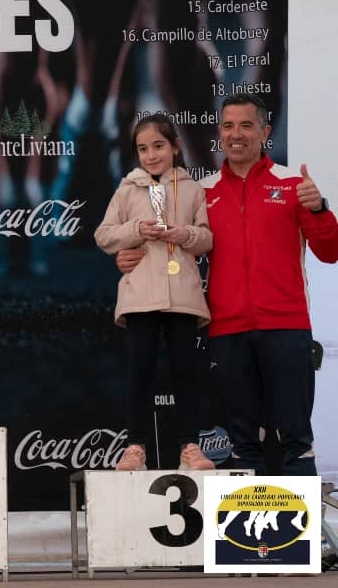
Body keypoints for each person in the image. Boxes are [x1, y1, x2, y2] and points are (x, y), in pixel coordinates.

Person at [117, 94, 338, 474]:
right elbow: (165, 238)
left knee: (296, 439)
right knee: (242, 441)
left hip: (286, 325)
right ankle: (246, 514)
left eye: (247, 125)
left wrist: (319, 209)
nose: (236, 134)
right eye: (228, 126)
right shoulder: (201, 190)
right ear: (219, 132)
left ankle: (300, 514)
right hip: (228, 330)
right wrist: (126, 255)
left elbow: (330, 252)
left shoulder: (292, 184)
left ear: (265, 132)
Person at [95, 114, 215, 471]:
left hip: (182, 297)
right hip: (140, 298)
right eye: (143, 149)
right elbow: (103, 235)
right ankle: (135, 448)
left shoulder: (193, 190)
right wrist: (136, 230)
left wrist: (185, 235)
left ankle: (190, 447)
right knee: (140, 371)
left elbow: (207, 239)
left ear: (176, 147)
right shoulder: (127, 189)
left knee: (186, 373)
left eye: (158, 146)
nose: (151, 155)